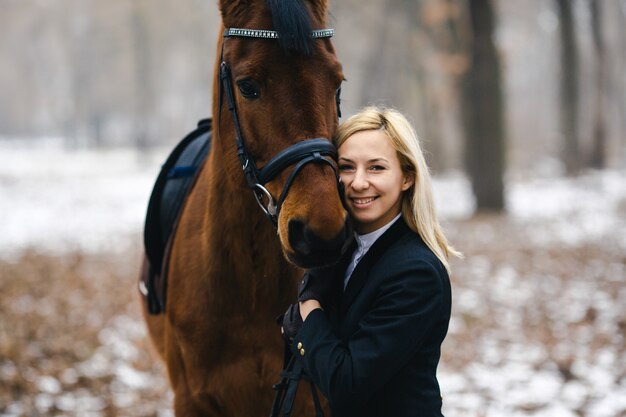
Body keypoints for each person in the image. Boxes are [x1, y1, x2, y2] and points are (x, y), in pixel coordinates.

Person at [281, 106, 462, 417]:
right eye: (346, 167)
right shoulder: (342, 253)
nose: (358, 183)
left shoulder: (415, 273)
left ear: (407, 177)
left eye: (376, 168)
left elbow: (346, 383)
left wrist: (309, 311)